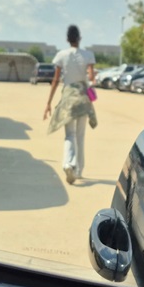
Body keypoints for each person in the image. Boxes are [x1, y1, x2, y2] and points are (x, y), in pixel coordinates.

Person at [44, 25, 97, 184]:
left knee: (70, 135)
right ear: (79, 39)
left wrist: (48, 103)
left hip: (68, 99)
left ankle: (68, 163)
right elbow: (91, 77)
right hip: (82, 99)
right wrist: (91, 83)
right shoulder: (88, 55)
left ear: (67, 40)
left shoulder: (61, 55)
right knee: (80, 136)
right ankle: (79, 171)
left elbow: (55, 80)